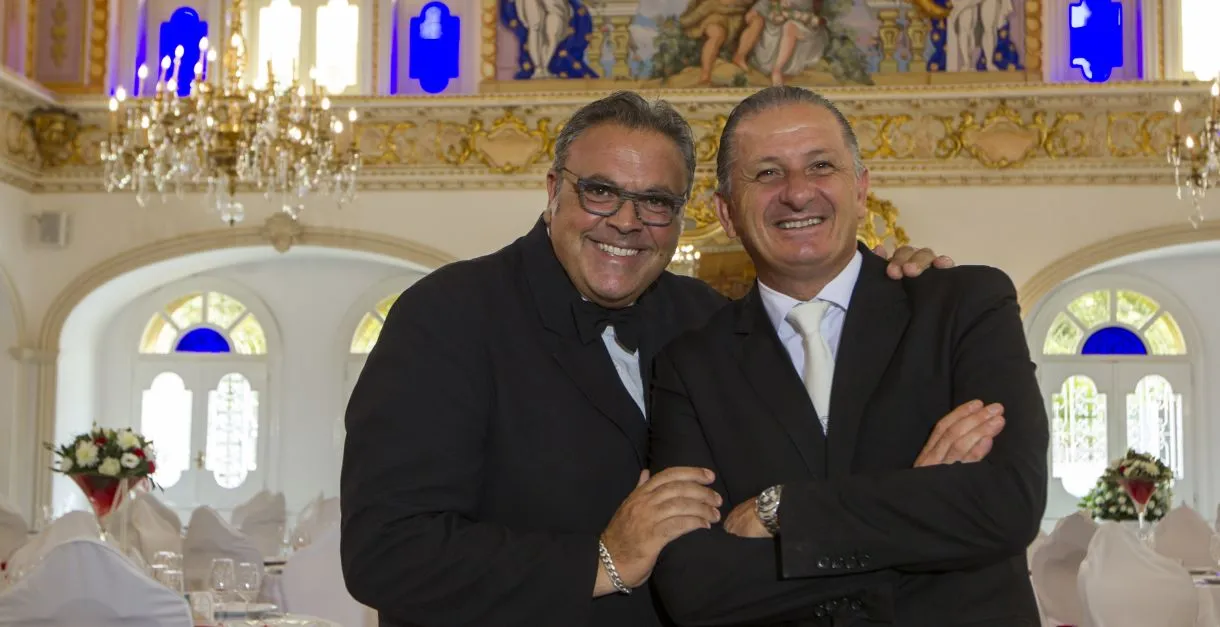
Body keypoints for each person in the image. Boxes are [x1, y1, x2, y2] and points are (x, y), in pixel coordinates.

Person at [339, 90, 977, 627]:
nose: (626, 221)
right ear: (554, 190)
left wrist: (889, 294)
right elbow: (385, 553)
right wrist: (603, 560)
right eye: (600, 192)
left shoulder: (707, 317)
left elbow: (804, 477)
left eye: (656, 202)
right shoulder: (448, 315)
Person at [648, 85, 1048, 625]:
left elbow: (1007, 505)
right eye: (767, 173)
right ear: (726, 213)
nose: (797, 193)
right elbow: (694, 584)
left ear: (860, 189)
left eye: (820, 166)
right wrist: (918, 509)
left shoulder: (964, 304)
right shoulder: (691, 364)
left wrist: (783, 511)